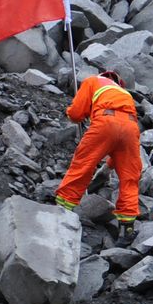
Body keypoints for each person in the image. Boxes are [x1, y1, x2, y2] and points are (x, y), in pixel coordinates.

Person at [54, 70, 142, 243]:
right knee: (130, 178)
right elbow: (121, 140)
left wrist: (74, 113)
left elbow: (76, 113)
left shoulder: (92, 80)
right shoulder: (124, 94)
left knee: (83, 165)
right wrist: (109, 166)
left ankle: (62, 212)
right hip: (131, 127)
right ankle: (127, 229)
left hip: (105, 122)